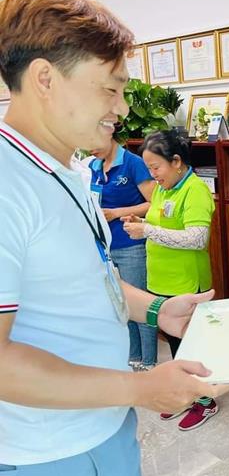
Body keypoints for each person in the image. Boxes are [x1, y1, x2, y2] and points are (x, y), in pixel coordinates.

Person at [0, 0, 229, 476]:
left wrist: (157, 310)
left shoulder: (70, 170)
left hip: (105, 426)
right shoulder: (6, 184)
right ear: (44, 79)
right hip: (42, 455)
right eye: (110, 89)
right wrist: (140, 386)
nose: (121, 108)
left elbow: (90, 280)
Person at [123, 129, 219, 432]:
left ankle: (207, 401)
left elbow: (196, 238)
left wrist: (148, 231)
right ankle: (188, 395)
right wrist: (142, 222)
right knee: (178, 347)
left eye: (156, 167)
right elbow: (162, 221)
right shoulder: (164, 189)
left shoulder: (194, 189)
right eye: (148, 168)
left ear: (176, 161)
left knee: (194, 346)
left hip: (186, 283)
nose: (152, 175)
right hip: (163, 281)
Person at [89, 133, 157, 371]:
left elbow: (154, 204)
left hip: (131, 245)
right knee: (122, 304)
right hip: (106, 246)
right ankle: (134, 357)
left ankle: (149, 362)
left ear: (108, 134)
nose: (91, 150)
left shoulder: (133, 163)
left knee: (141, 303)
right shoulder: (94, 166)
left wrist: (117, 212)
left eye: (94, 144)